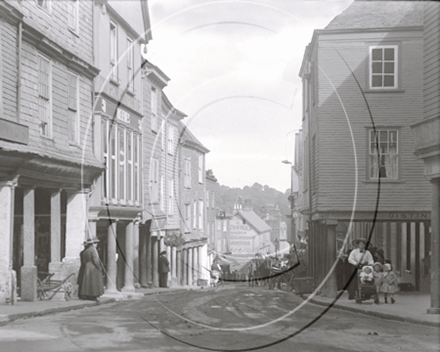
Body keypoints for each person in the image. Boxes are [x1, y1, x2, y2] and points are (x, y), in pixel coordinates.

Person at [77, 236, 104, 301]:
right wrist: (99, 267)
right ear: (93, 243)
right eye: (96, 243)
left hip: (87, 266)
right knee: (93, 281)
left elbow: (83, 260)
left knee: (87, 281)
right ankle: (93, 295)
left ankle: (87, 294)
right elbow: (96, 260)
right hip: (93, 267)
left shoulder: (86, 251)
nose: (96, 244)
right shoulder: (93, 250)